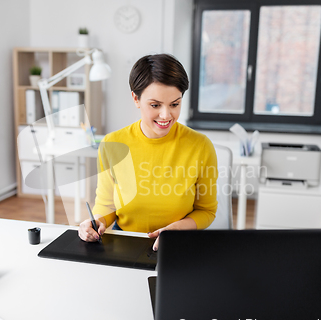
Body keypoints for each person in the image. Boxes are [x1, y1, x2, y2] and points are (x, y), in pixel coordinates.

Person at [78, 54, 218, 250]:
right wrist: (97, 221)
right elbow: (106, 205)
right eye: (155, 105)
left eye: (175, 104)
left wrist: (176, 230)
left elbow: (207, 211)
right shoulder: (112, 144)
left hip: (178, 245)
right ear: (136, 98)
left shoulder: (200, 146)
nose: (166, 115)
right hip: (125, 243)